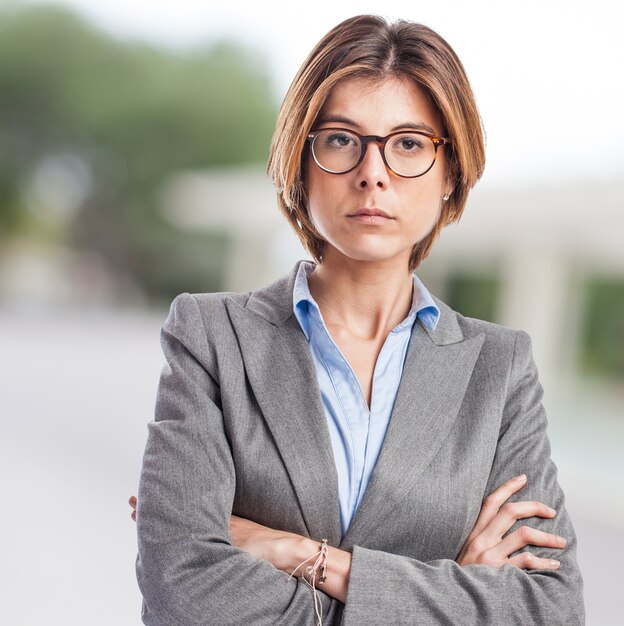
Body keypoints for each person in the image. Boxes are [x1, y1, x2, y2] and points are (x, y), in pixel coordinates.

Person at [131, 14, 584, 625]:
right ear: (301, 161)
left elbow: (548, 609)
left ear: (450, 174)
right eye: (342, 139)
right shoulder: (212, 338)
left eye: (409, 144)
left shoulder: (498, 369)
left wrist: (304, 556)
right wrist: (455, 590)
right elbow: (181, 594)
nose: (373, 173)